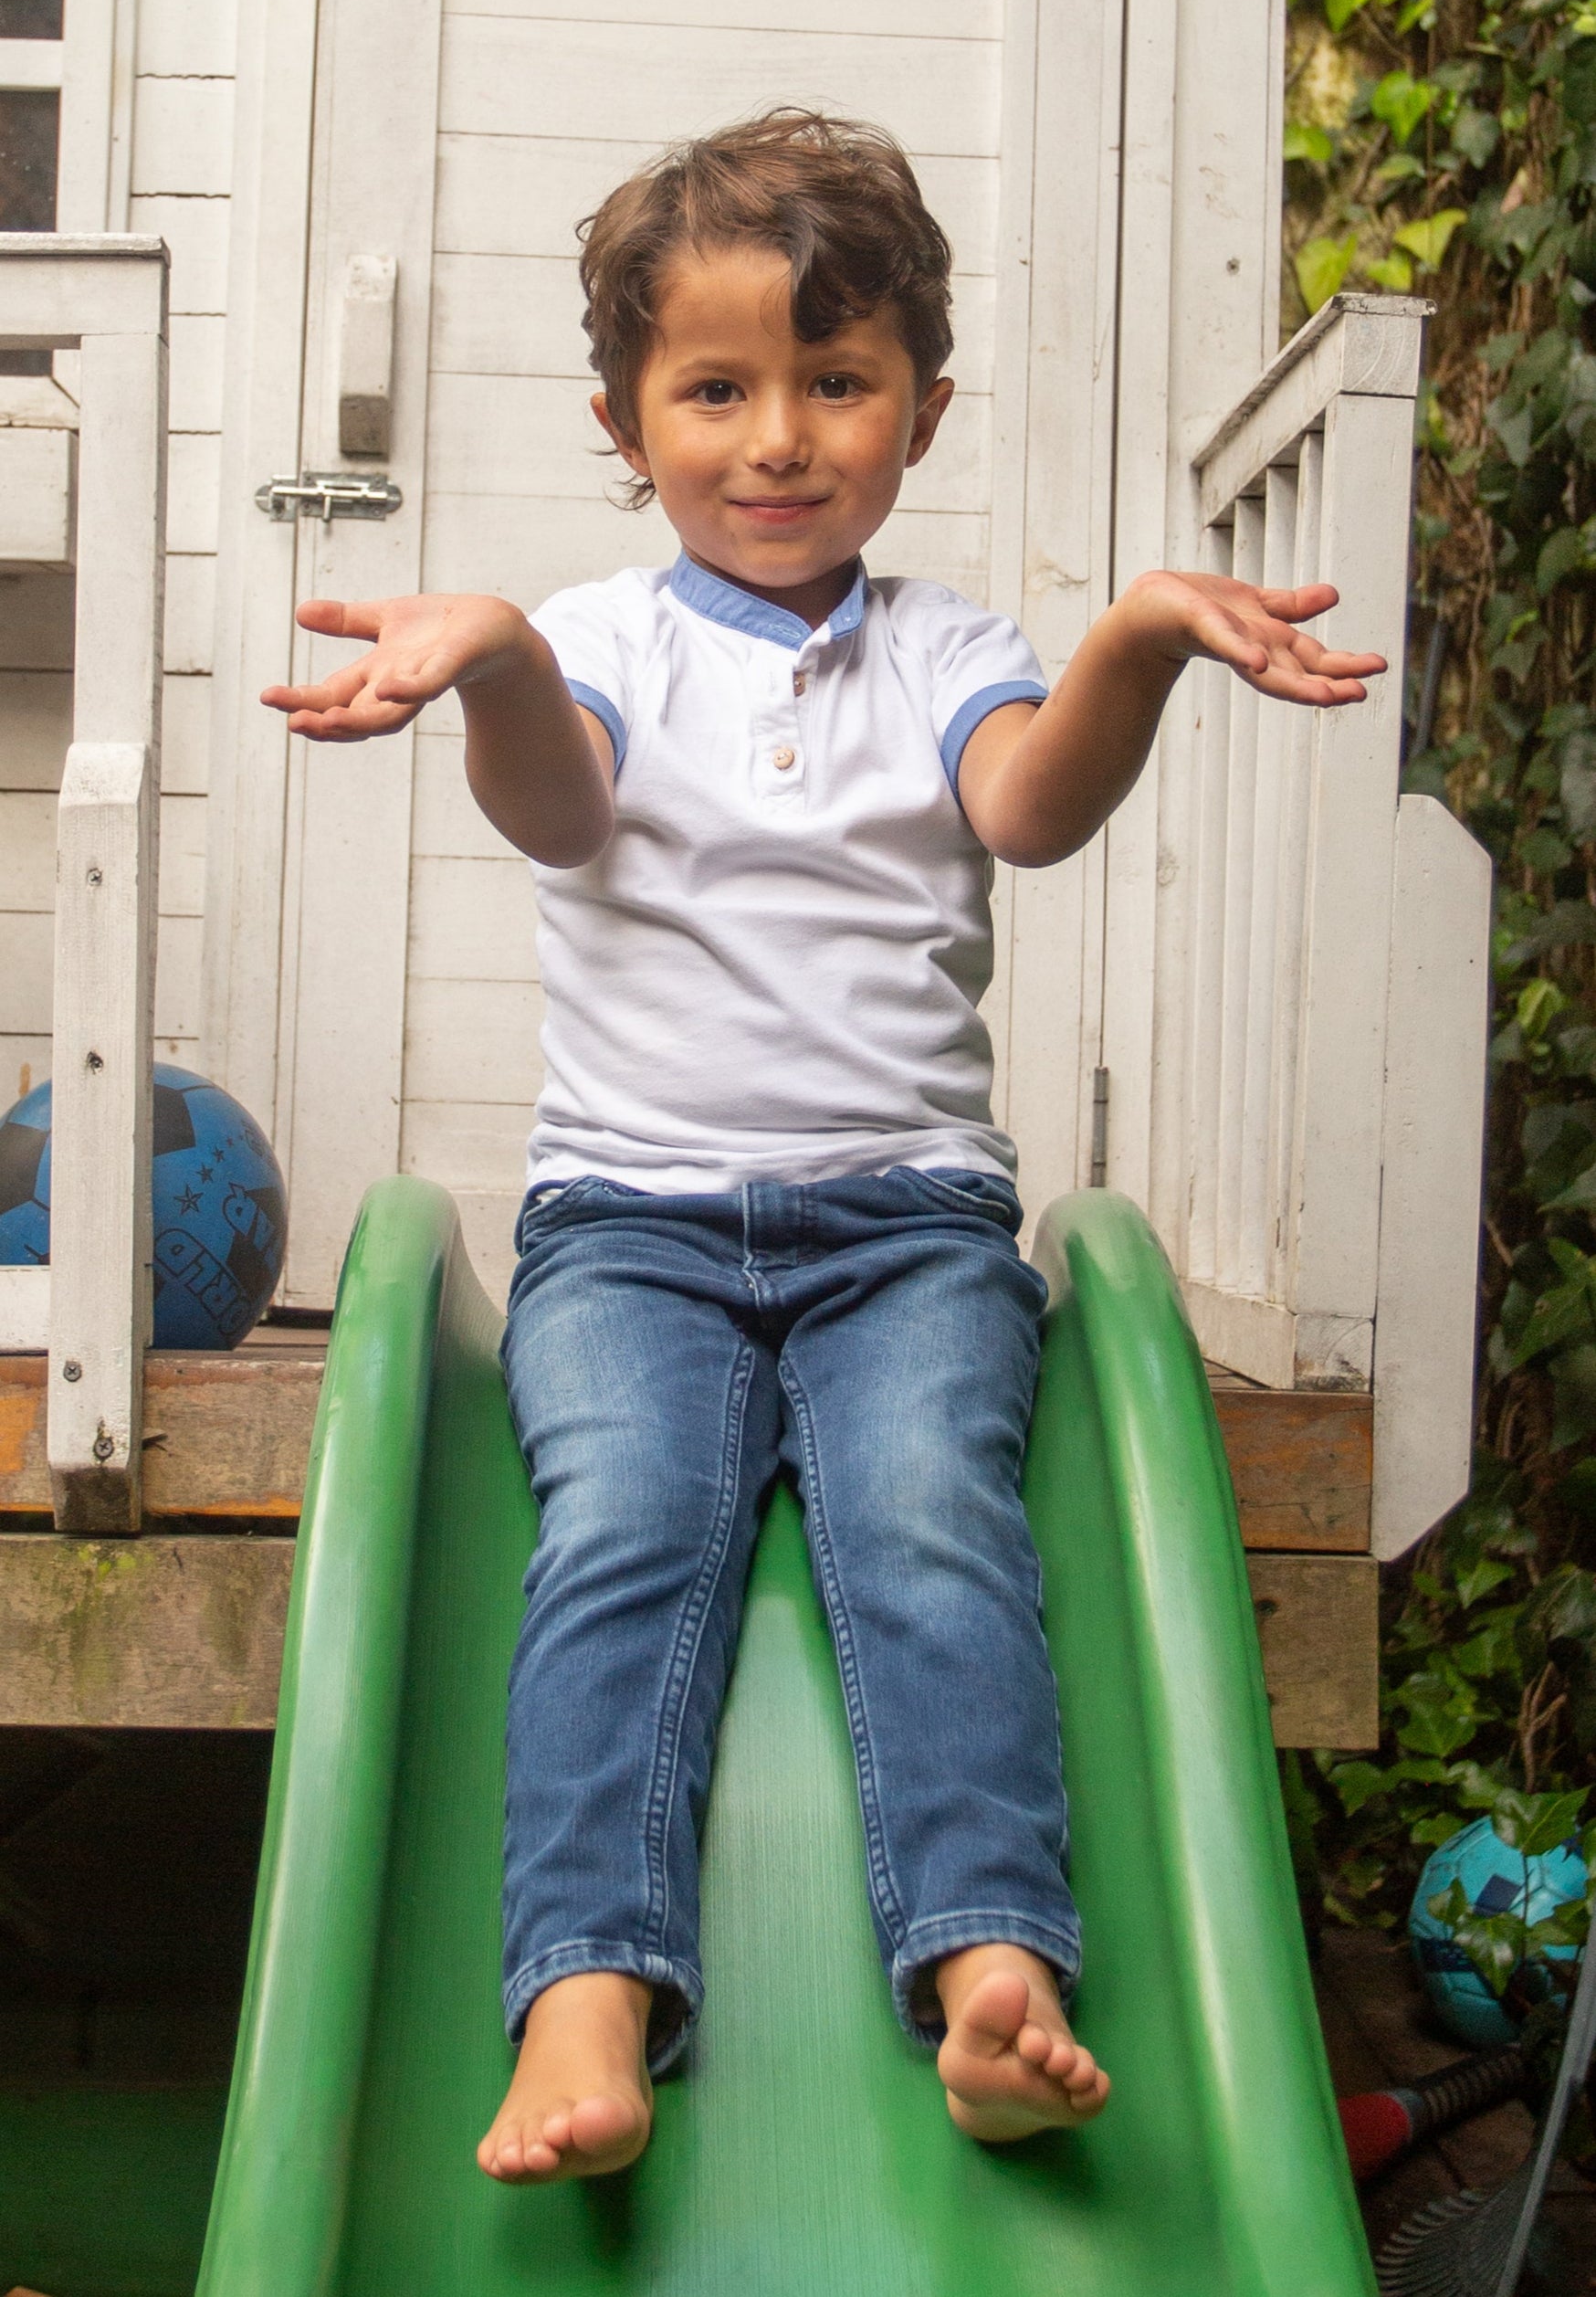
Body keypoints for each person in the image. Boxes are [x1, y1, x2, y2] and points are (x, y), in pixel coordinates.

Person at [262, 109, 1383, 2187]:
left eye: (834, 382)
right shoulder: (604, 642)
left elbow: (1031, 810)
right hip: (632, 1230)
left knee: (930, 1527)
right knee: (624, 1534)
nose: (777, 438)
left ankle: (985, 1970)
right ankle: (586, 1994)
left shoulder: (947, 651)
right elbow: (558, 809)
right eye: (715, 389)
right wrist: (495, 650)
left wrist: (1135, 637)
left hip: (907, 1233)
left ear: (918, 411)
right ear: (628, 419)